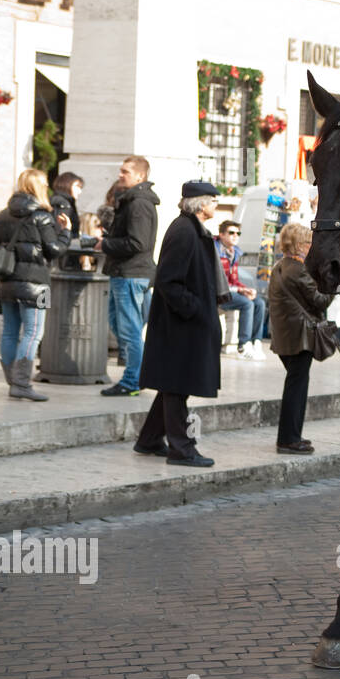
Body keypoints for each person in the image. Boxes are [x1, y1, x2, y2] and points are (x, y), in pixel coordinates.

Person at [133, 182, 224, 466]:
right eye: (213, 201)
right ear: (200, 203)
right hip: (179, 327)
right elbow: (168, 281)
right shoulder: (184, 231)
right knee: (176, 385)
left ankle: (149, 440)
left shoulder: (191, 229)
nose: (215, 206)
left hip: (185, 326)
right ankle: (181, 448)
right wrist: (195, 309)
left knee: (174, 385)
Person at [0, 169, 71, 400]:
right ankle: (21, 383)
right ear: (39, 187)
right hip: (38, 285)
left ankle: (14, 380)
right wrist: (66, 231)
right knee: (33, 333)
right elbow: (54, 250)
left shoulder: (4, 214)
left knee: (9, 332)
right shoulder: (43, 216)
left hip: (6, 282)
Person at [268, 222, 333, 454]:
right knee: (296, 388)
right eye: (308, 242)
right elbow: (320, 301)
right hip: (300, 337)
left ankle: (290, 436)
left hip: (286, 337)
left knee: (294, 385)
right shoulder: (298, 269)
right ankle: (289, 439)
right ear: (299, 245)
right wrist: (334, 284)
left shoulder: (280, 266)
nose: (311, 247)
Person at [100, 156, 159, 396]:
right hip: (123, 272)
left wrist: (105, 244)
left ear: (140, 176)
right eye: (121, 170)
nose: (120, 174)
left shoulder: (139, 203)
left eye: (125, 171)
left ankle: (133, 380)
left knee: (129, 329)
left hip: (131, 274)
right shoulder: (131, 200)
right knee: (121, 325)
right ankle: (138, 374)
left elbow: (137, 242)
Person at [214, 219, 266, 359]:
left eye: (238, 233)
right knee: (246, 303)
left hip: (229, 291)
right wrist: (239, 291)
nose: (235, 236)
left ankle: (256, 342)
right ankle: (243, 345)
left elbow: (233, 280)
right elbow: (218, 282)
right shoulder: (215, 252)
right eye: (231, 233)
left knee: (259, 302)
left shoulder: (234, 252)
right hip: (217, 293)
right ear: (221, 234)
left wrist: (246, 289)